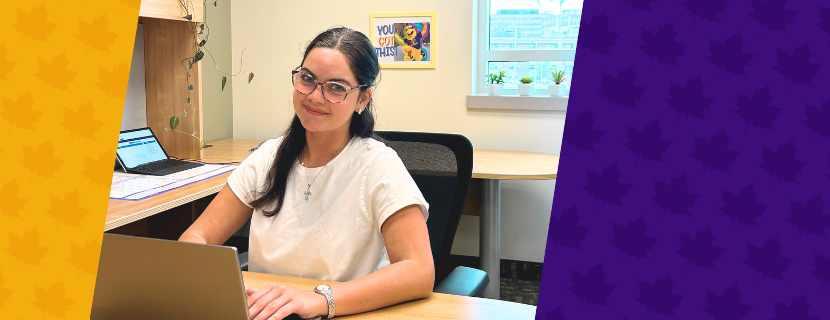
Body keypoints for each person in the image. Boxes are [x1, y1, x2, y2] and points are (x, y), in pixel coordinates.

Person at [179, 27, 434, 320]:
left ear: (362, 99)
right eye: (308, 79)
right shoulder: (267, 158)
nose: (314, 96)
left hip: (342, 313)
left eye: (336, 87)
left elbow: (419, 271)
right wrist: (230, 285)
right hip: (265, 313)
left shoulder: (378, 166)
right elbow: (196, 237)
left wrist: (319, 300)